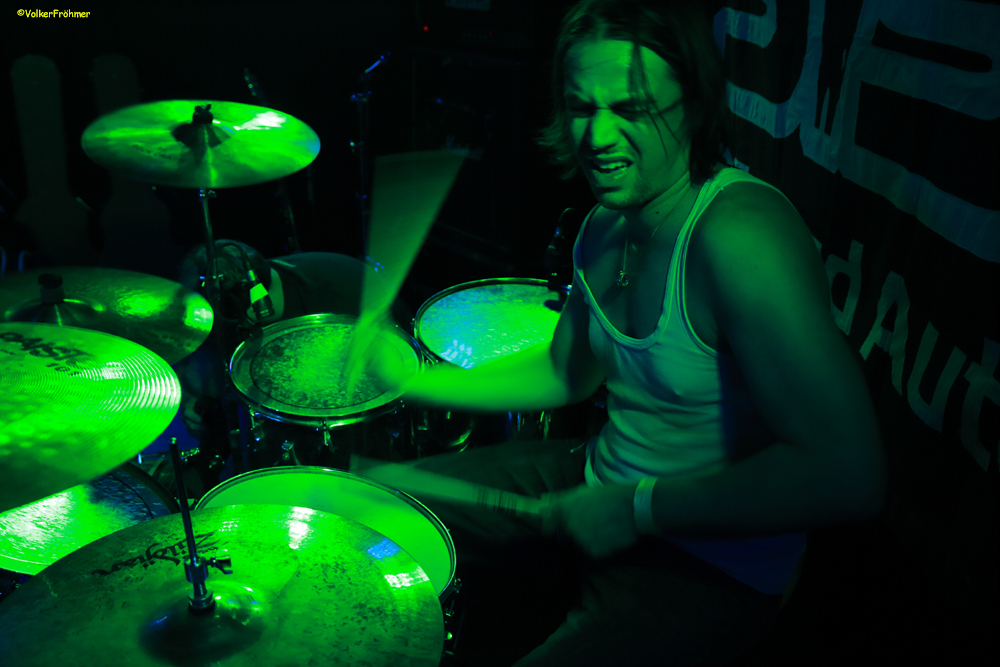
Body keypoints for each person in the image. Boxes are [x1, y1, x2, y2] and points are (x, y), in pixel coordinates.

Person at [359, 1, 886, 665]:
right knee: (373, 512)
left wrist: (639, 508)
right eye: (582, 107)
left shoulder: (739, 236)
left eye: (631, 109)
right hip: (599, 482)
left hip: (710, 563)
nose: (598, 136)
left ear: (693, 105)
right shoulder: (603, 226)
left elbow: (849, 474)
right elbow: (564, 372)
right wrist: (413, 378)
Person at [174, 240, 412, 483]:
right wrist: (191, 398)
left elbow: (384, 372)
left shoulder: (336, 297)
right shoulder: (233, 295)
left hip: (369, 375)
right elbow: (196, 355)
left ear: (254, 306)